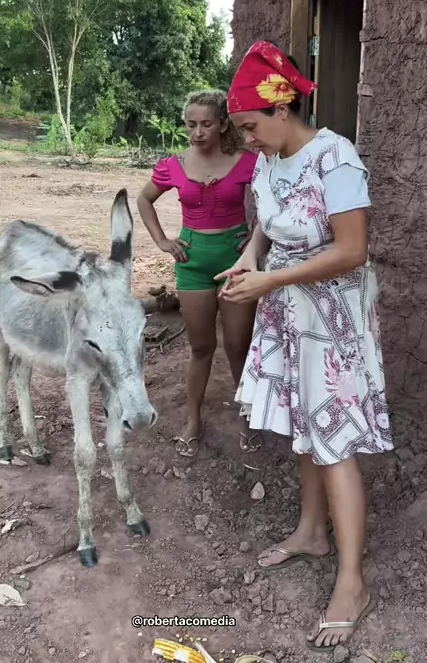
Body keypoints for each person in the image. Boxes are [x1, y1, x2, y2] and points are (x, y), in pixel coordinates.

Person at [215, 42, 393, 652]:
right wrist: (249, 259)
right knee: (305, 425)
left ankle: (353, 583)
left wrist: (272, 281)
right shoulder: (270, 161)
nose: (247, 140)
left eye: (250, 126)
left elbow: (352, 251)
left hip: (331, 316)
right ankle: (312, 531)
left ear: (282, 108)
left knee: (333, 438)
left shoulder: (335, 157)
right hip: (288, 307)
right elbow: (267, 224)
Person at [137, 91, 260, 458]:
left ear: (222, 124)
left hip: (236, 263)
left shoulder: (248, 162)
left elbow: (276, 200)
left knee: (238, 346)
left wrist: (256, 239)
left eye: (206, 124)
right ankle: (193, 418)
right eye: (191, 124)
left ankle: (247, 415)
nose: (197, 132)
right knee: (201, 347)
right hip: (192, 263)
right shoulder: (173, 165)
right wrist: (162, 241)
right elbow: (144, 199)